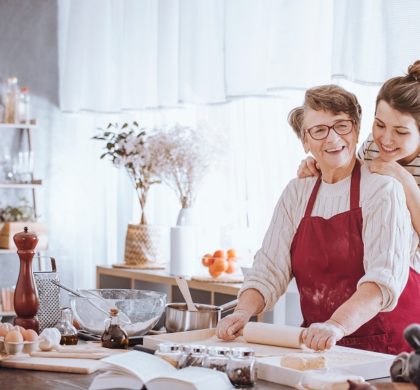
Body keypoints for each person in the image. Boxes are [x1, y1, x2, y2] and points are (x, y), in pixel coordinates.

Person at [216, 84, 419, 354]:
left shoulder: (384, 188)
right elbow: (269, 268)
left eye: (342, 126)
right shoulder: (297, 191)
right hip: (319, 342)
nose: (333, 138)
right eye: (319, 130)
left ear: (357, 130)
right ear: (305, 141)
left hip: (384, 347)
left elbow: (383, 279)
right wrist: (242, 312)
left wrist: (336, 324)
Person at [298, 60, 420, 241]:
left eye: (400, 132)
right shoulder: (372, 144)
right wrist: (320, 166)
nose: (385, 140)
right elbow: (352, 178)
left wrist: (403, 178)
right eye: (379, 124)